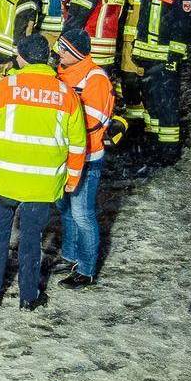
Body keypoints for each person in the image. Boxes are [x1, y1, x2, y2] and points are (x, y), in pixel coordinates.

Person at [0, 35, 85, 311]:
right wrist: (72, 179)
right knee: (32, 239)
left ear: (21, 57)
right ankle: (29, 296)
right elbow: (78, 143)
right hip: (43, 183)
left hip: (3, 179)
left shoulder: (5, 87)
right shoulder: (67, 95)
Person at [52, 30, 115, 288]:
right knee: (65, 208)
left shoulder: (95, 78)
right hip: (66, 155)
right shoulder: (62, 73)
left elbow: (91, 121)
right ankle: (70, 255)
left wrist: (57, 123)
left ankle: (86, 270)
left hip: (87, 159)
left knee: (82, 213)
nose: (59, 53)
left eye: (64, 50)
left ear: (76, 53)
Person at [128, 0, 191, 166]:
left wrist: (173, 61)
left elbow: (181, 31)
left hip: (165, 62)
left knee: (166, 107)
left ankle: (168, 153)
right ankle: (154, 146)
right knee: (152, 105)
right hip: (150, 59)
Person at [116, 0, 158, 129]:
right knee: (130, 83)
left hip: (137, 40)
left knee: (137, 83)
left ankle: (142, 129)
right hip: (127, 40)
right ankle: (137, 124)